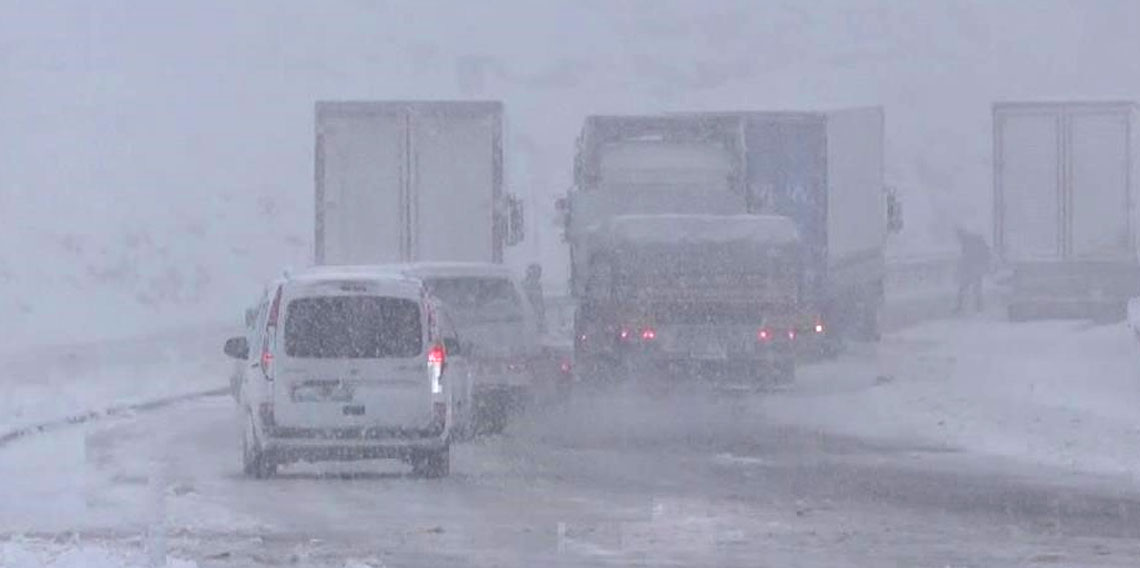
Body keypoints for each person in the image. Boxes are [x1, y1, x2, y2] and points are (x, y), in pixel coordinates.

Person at [954, 226, 991, 313]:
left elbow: (969, 257)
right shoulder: (970, 240)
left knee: (965, 288)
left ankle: (962, 306)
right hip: (976, 268)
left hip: (973, 268)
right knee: (976, 288)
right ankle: (978, 307)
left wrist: (966, 266)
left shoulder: (969, 242)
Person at [522, 263, 546, 333]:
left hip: (538, 316)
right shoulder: (524, 285)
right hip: (528, 316)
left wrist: (542, 315)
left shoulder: (538, 286)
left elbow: (541, 302)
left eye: (539, 273)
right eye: (536, 272)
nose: (538, 275)